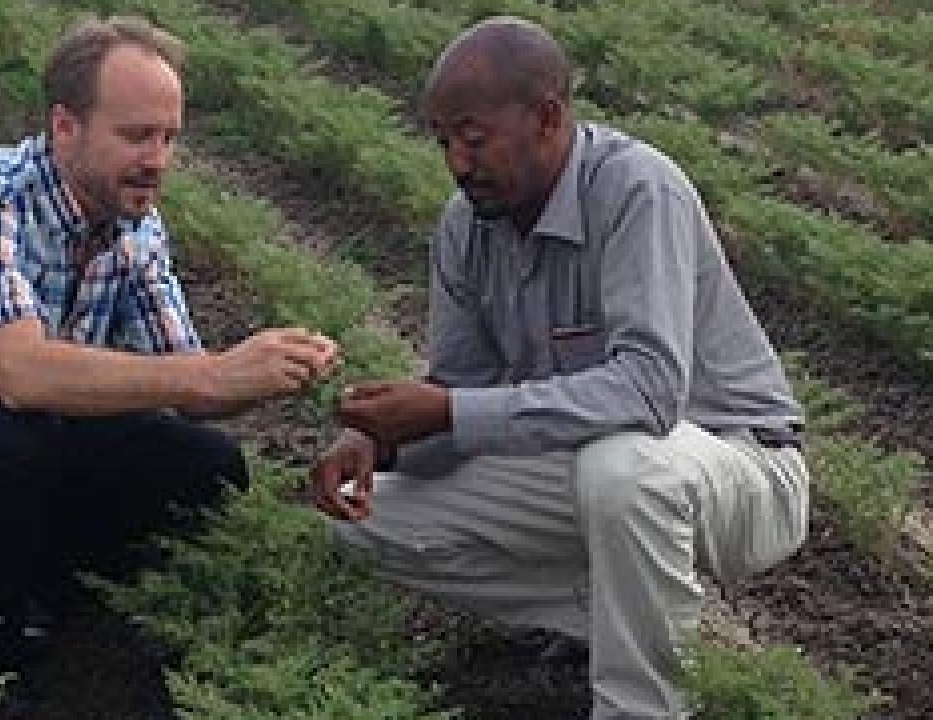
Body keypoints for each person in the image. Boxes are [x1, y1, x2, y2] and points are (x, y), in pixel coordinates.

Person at [0, 15, 338, 668]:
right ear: (64, 127)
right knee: (0, 449)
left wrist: (272, 369)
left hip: (19, 438)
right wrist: (211, 374)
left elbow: (189, 382)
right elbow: (21, 372)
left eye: (169, 138)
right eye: (137, 135)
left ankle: (58, 590)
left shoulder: (135, 222)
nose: (157, 160)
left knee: (205, 466)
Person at [310, 17, 808, 720]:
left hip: (739, 463)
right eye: (444, 141)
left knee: (623, 469)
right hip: (589, 469)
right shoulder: (465, 226)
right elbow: (462, 397)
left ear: (547, 118)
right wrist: (384, 441)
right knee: (364, 521)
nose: (456, 161)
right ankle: (621, 619)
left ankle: (643, 703)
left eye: (474, 138)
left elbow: (650, 390)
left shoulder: (638, 190)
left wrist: (448, 412)